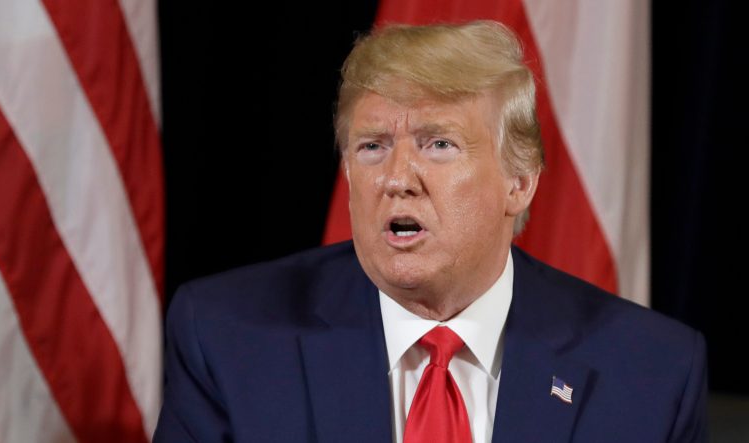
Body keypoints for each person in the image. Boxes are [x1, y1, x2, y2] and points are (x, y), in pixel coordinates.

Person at [153, 21, 707, 442]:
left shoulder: (651, 373)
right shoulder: (228, 339)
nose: (396, 179)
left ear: (519, 182)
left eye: (438, 144)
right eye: (372, 146)